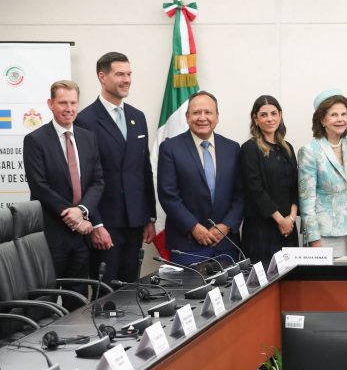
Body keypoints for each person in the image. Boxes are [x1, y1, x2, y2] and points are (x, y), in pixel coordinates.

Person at [75, 52, 156, 283]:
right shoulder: (85, 120)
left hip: (135, 223)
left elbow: (144, 169)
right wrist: (96, 224)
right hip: (105, 225)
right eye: (120, 74)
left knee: (131, 294)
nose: (127, 79)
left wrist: (149, 216)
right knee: (107, 296)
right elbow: (85, 179)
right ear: (102, 77)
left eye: (129, 74)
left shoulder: (137, 117)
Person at [23, 80, 104, 285]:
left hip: (82, 237)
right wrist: (74, 217)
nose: (69, 109)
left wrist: (83, 210)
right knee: (47, 300)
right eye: (62, 103)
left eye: (73, 103)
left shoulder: (88, 138)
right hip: (52, 234)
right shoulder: (35, 140)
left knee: (76, 299)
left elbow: (97, 181)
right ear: (51, 104)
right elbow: (39, 186)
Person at [157, 91, 244, 266]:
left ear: (217, 117)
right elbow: (168, 195)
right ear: (187, 116)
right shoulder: (170, 148)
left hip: (226, 244)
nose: (202, 117)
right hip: (187, 244)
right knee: (189, 294)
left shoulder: (233, 148)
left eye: (208, 112)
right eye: (196, 113)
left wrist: (226, 226)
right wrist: (194, 227)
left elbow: (241, 194)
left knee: (228, 293)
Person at [240, 95, 299, 264]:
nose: (270, 119)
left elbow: (296, 187)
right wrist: (280, 220)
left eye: (274, 113)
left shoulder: (288, 148)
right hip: (262, 230)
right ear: (255, 119)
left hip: (288, 228)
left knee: (291, 284)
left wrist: (291, 219)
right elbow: (255, 190)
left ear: (280, 116)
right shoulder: (249, 149)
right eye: (264, 115)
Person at [297, 90, 347, 256]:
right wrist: (314, 239)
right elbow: (306, 200)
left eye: (344, 114)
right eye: (334, 115)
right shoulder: (309, 151)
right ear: (322, 119)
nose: (340, 119)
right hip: (324, 235)